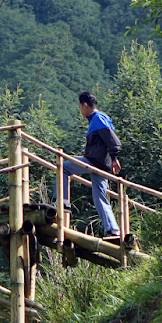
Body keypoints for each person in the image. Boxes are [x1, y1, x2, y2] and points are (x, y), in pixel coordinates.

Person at [62, 91, 122, 238]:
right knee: (99, 197)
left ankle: (61, 202)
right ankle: (113, 230)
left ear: (85, 105)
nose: (80, 110)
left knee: (63, 166)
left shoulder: (97, 118)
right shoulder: (99, 118)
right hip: (101, 164)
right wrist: (112, 159)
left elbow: (112, 140)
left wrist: (114, 157)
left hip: (95, 161)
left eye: (80, 107)